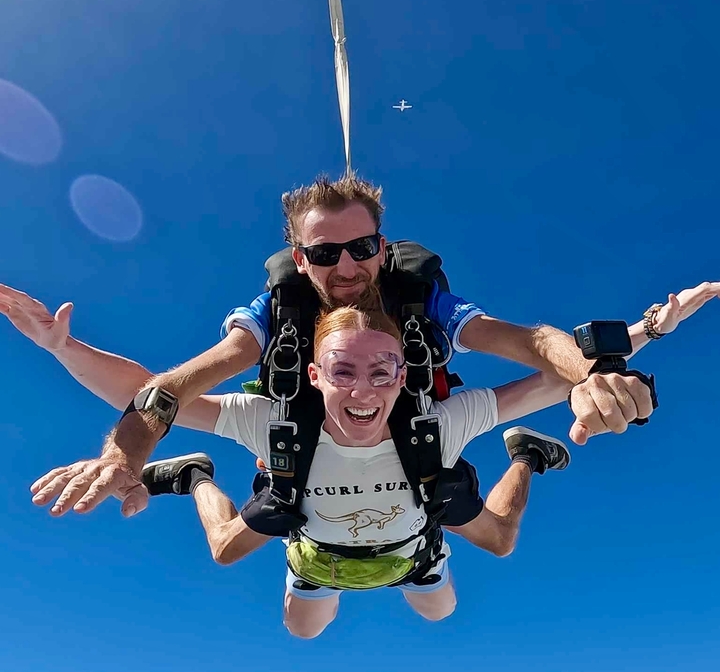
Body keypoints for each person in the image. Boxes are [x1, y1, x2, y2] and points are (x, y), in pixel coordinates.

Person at [16, 283, 718, 637]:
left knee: (466, 581)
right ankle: (196, 476)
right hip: (316, 553)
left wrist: (649, 328)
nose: (365, 390)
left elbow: (553, 376)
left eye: (384, 372)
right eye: (343, 372)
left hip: (414, 551)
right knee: (259, 585)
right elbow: (149, 389)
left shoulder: (438, 424)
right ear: (314, 378)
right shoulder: (271, 424)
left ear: (406, 377)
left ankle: (528, 458)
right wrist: (63, 349)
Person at [25, 175, 661, 519]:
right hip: (306, 428)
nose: (348, 267)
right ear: (300, 261)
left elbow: (530, 341)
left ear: (382, 248)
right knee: (276, 573)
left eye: (362, 248)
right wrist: (122, 455)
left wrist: (590, 376)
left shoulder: (422, 300)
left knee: (474, 555)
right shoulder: (274, 315)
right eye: (326, 254)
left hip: (408, 422)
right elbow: (168, 389)